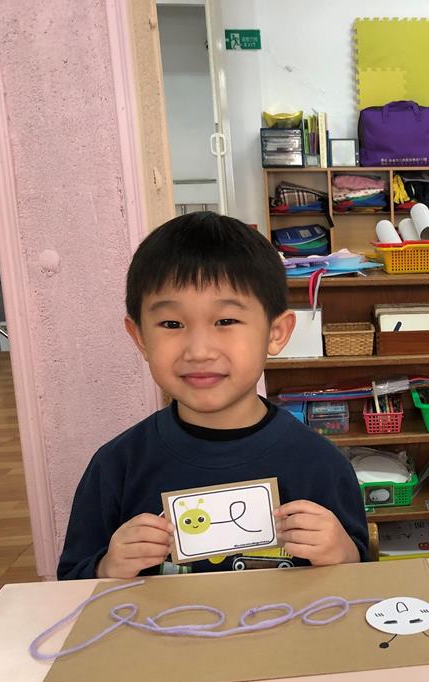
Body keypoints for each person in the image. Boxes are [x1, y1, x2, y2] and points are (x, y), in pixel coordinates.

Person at [58, 212, 368, 579]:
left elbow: (361, 577)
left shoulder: (320, 464)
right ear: (140, 337)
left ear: (276, 333)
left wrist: (344, 554)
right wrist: (107, 566)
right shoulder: (116, 467)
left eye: (225, 321)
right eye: (172, 324)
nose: (199, 350)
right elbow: (70, 581)